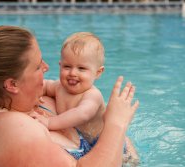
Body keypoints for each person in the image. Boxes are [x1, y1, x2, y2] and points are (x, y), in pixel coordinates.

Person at [0, 25, 139, 167]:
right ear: (12, 84)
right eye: (37, 66)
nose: (46, 67)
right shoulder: (13, 131)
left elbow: (96, 130)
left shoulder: (25, 101)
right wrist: (117, 124)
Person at [32, 32, 138, 162]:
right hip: (81, 139)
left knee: (128, 161)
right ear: (60, 65)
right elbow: (44, 86)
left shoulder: (92, 95)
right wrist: (33, 94)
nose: (72, 73)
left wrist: (49, 123)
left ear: (98, 72)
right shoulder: (59, 87)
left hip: (101, 140)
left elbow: (81, 114)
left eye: (81, 68)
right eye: (67, 66)